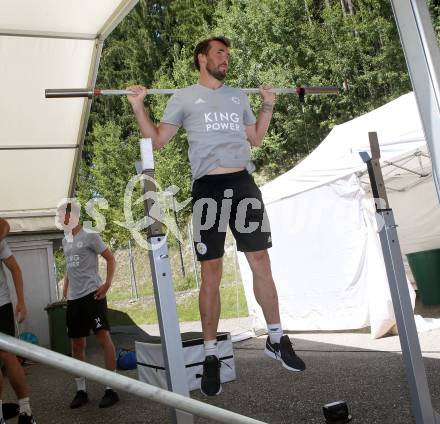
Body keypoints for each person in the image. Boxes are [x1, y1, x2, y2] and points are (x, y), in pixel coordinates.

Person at [127, 36, 306, 396]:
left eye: (227, 54)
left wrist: (267, 105)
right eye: (219, 53)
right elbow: (157, 141)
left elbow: (255, 138)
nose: (225, 59)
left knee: (261, 261)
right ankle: (210, 354)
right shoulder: (183, 97)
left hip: (243, 182)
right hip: (207, 187)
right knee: (212, 269)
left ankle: (276, 337)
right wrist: (137, 106)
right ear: (202, 58)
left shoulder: (237, 95)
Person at [60, 202, 119, 409]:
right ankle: (81, 391)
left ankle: (111, 389)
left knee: (104, 338)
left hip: (93, 295)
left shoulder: (90, 235)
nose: (61, 220)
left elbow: (110, 259)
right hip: (74, 300)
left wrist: (107, 284)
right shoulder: (65, 239)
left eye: (63, 216)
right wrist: (65, 289)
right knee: (77, 345)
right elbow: (69, 266)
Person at [0, 219, 37, 423]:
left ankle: (26, 411)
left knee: (7, 355)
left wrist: (21, 301)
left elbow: (4, 224)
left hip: (1, 305)